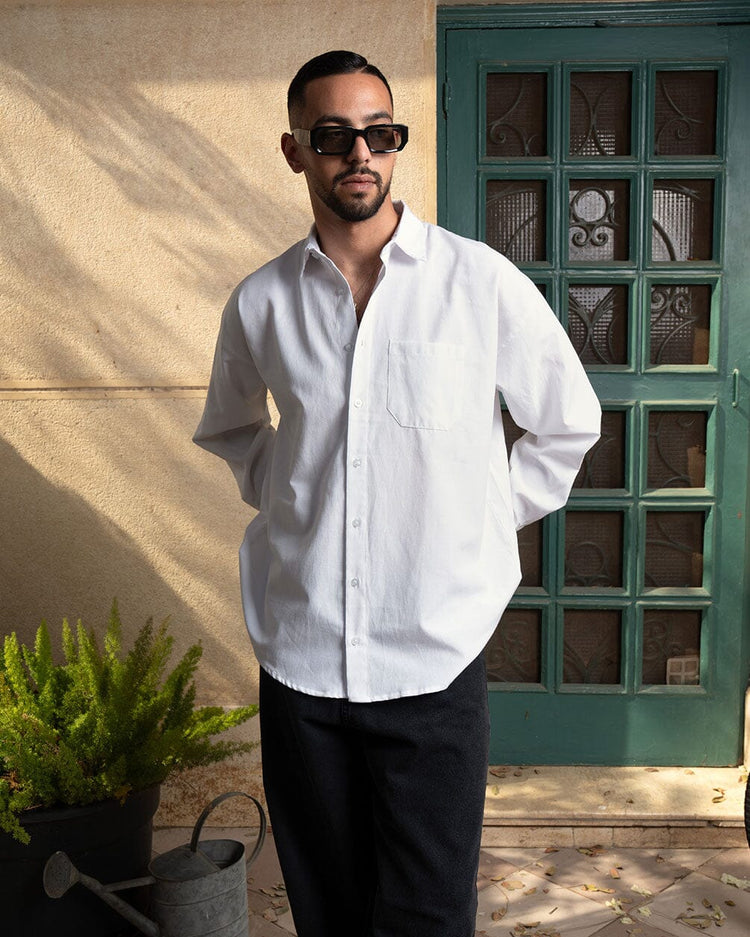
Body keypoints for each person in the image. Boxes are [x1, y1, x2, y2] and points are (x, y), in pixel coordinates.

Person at [194, 50, 600, 937]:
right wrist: (296, 496)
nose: (360, 154)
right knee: (328, 911)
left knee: (427, 914)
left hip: (433, 656)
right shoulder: (261, 302)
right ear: (295, 151)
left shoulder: (478, 282)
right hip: (302, 658)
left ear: (396, 142)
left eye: (380, 133)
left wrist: (480, 515)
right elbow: (232, 429)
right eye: (333, 135)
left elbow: (567, 422)